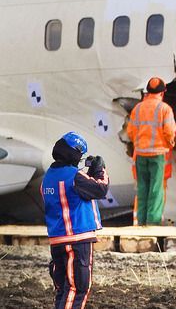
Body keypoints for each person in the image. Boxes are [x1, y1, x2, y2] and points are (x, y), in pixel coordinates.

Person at [41, 132, 109, 309]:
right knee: (78, 288)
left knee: (63, 289)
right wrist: (100, 170)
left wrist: (88, 174)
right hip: (77, 240)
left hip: (57, 240)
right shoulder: (75, 176)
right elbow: (100, 189)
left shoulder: (48, 176)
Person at [127, 77, 176, 225]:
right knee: (156, 189)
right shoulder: (164, 109)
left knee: (142, 188)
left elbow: (130, 131)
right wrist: (170, 143)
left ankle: (141, 221)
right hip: (157, 155)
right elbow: (170, 131)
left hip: (141, 154)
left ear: (147, 92)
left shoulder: (137, 108)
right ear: (162, 93)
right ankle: (152, 223)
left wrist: (139, 143)